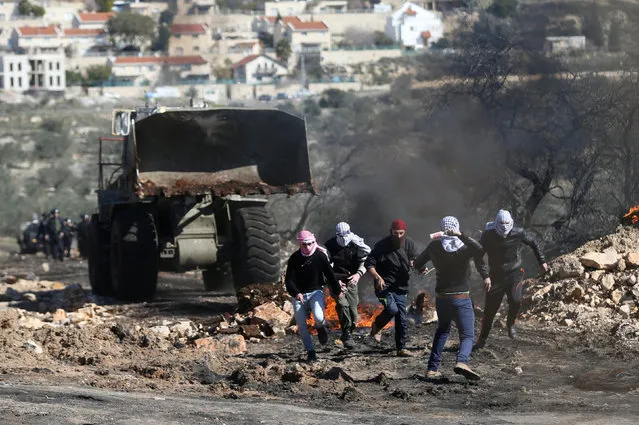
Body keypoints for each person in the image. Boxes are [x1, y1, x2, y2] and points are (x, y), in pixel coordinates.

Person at [414, 216, 488, 381]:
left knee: (442, 331)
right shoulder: (463, 248)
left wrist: (422, 269)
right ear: (456, 228)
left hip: (442, 298)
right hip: (461, 297)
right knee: (467, 334)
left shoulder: (434, 245)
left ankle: (432, 369)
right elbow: (480, 249)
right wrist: (461, 235)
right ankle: (462, 361)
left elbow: (417, 263)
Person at [475, 210, 548, 347]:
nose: (503, 227)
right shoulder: (487, 235)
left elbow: (533, 243)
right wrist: (485, 276)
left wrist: (542, 261)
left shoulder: (518, 232)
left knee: (516, 300)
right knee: (490, 310)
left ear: (511, 223)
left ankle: (511, 324)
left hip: (515, 272)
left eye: (506, 224)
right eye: (501, 224)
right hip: (495, 276)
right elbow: (478, 256)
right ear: (496, 224)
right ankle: (482, 339)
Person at [285, 230, 341, 362]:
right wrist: (296, 293)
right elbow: (289, 280)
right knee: (301, 325)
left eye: (310, 244)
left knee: (319, 317)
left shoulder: (320, 256)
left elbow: (330, 276)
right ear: (300, 244)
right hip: (299, 294)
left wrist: (338, 292)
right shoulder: (294, 258)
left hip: (316, 291)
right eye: (304, 244)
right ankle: (311, 352)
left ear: (314, 242)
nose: (308, 247)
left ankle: (320, 328)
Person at [365, 219, 417, 357]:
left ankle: (401, 348)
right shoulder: (382, 245)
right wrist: (377, 277)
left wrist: (414, 264)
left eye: (401, 233)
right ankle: (377, 325)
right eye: (395, 233)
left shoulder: (409, 243)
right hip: (383, 286)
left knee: (402, 317)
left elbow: (414, 258)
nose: (398, 236)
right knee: (391, 309)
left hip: (401, 286)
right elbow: (369, 264)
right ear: (391, 231)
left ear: (404, 232)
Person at [324, 222, 371, 349]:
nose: (344, 239)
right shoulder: (330, 246)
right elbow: (326, 268)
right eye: (341, 236)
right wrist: (335, 281)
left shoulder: (355, 244)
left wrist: (358, 275)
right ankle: (346, 334)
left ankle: (349, 330)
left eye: (346, 235)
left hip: (351, 280)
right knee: (342, 305)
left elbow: (366, 259)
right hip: (336, 281)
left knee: (353, 311)